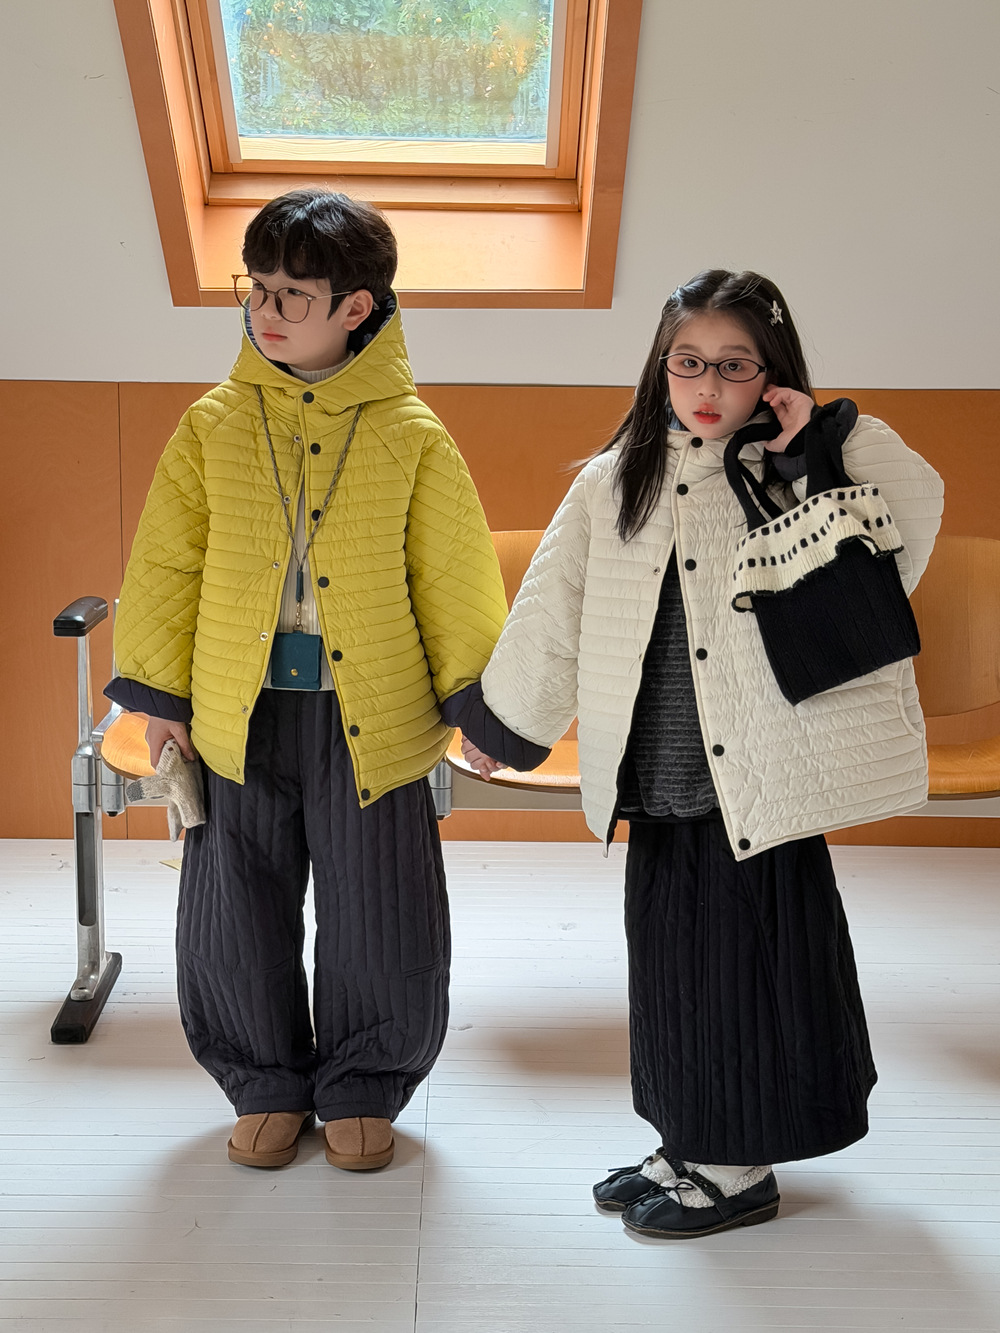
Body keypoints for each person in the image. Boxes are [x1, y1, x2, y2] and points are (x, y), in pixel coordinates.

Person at [454, 269, 944, 1238]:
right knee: (670, 962)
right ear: (660, 367)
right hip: (659, 770)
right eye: (688, 362)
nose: (707, 386)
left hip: (760, 772)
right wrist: (505, 722)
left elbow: (913, 513)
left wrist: (813, 450)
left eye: (733, 365)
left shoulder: (802, 458)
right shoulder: (616, 479)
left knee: (746, 967)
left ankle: (735, 1165)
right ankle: (686, 1138)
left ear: (772, 372)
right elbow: (552, 609)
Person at [106, 188, 511, 1171]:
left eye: (293, 293)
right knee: (233, 908)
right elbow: (165, 566)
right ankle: (265, 1080)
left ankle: (365, 1082)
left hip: (374, 717)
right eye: (257, 288)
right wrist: (160, 701)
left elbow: (454, 578)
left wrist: (481, 705)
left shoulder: (413, 435)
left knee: (381, 909)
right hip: (234, 714)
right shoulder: (210, 426)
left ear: (356, 307)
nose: (267, 310)